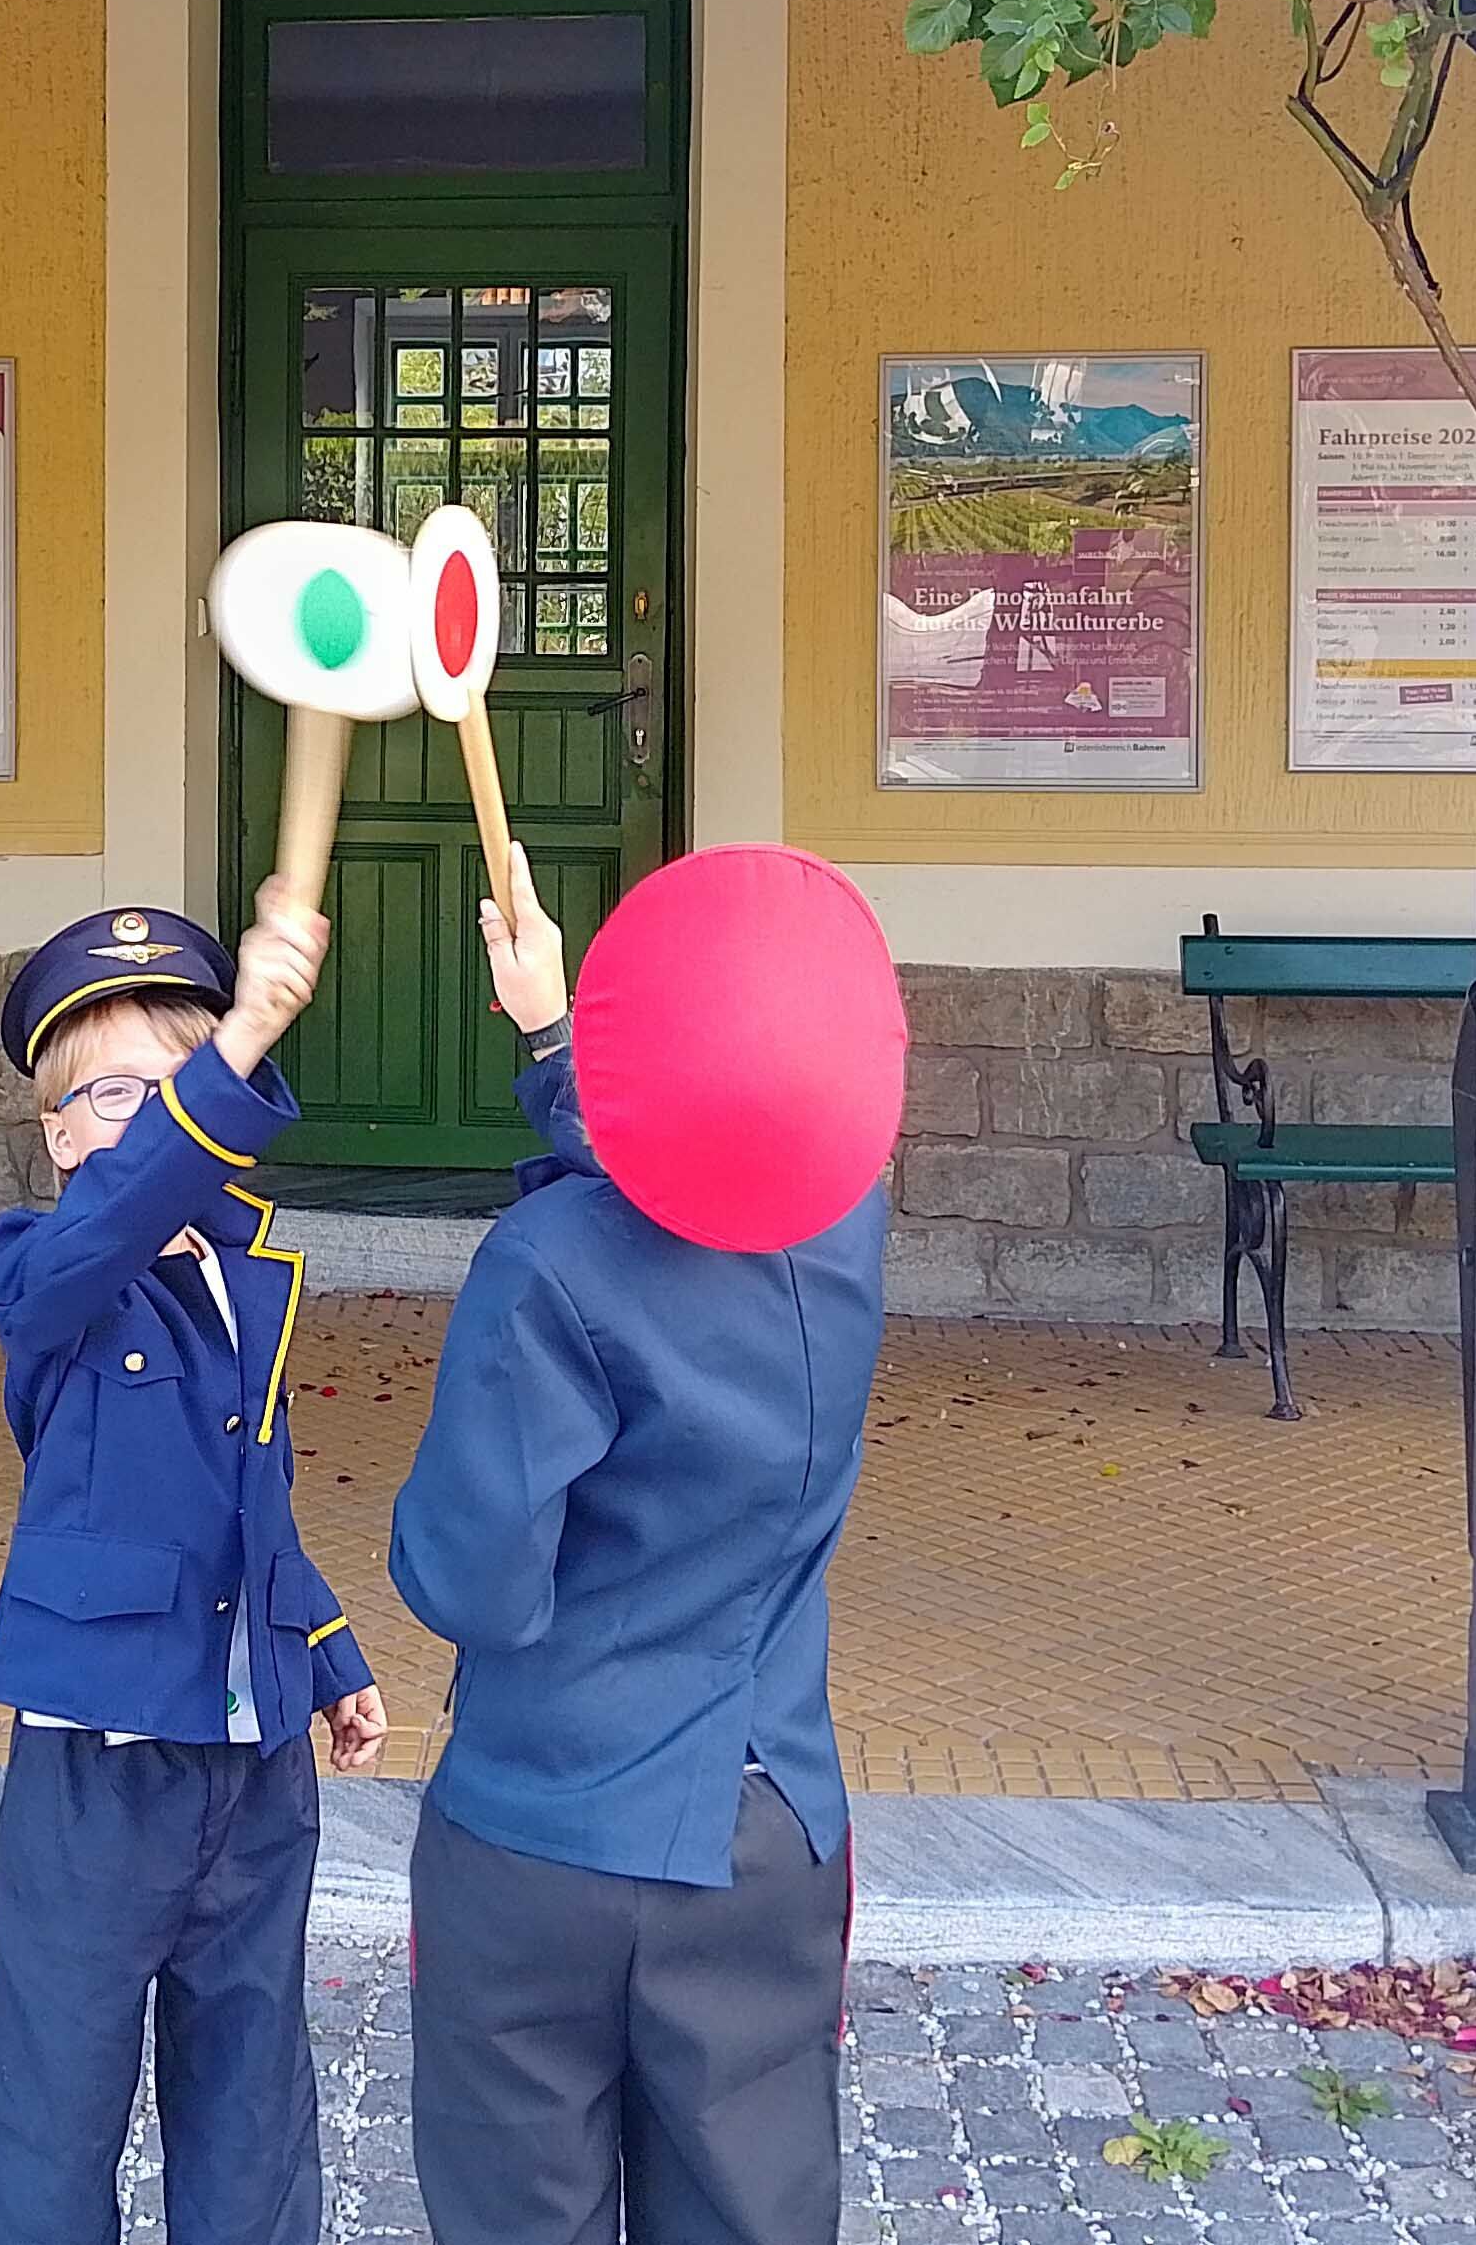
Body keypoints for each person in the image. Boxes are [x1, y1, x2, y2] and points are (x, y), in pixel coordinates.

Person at [388, 844, 909, 2245]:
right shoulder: (849, 1224)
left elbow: (470, 1584)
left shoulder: (547, 1263)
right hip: (765, 1829)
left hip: (542, 1831)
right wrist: (551, 1035)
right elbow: (694, 1170)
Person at [0, 882, 393, 2245]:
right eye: (104, 1098)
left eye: (169, 1087)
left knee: (252, 2093)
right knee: (56, 2098)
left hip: (250, 1757)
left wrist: (325, 1654)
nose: (136, 1120)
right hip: (99, 1764)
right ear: (53, 1137)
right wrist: (239, 1041)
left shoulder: (242, 1281)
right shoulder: (48, 1274)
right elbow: (116, 1219)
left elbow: (250, 1499)